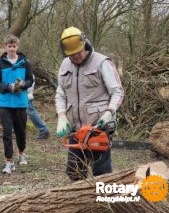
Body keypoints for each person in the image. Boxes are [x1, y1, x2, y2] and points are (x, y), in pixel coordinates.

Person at [55, 27, 124, 181]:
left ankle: (104, 201)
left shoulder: (102, 62)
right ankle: (82, 200)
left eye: (78, 52)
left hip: (98, 127)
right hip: (76, 128)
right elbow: (60, 93)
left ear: (84, 44)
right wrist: (61, 116)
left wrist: (109, 112)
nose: (76, 57)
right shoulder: (65, 65)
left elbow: (118, 92)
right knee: (74, 170)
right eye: (71, 54)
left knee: (101, 172)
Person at [0, 34, 33, 174]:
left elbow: (30, 81)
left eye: (14, 46)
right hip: (5, 102)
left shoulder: (25, 63)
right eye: (9, 46)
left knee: (20, 131)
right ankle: (9, 161)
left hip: (21, 102)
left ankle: (22, 152)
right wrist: (8, 87)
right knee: (7, 132)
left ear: (17, 47)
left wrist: (23, 85)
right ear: (5, 47)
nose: (11, 49)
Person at [26, 74, 50, 139]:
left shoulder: (23, 67)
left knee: (30, 111)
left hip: (24, 93)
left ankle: (44, 130)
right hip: (24, 92)